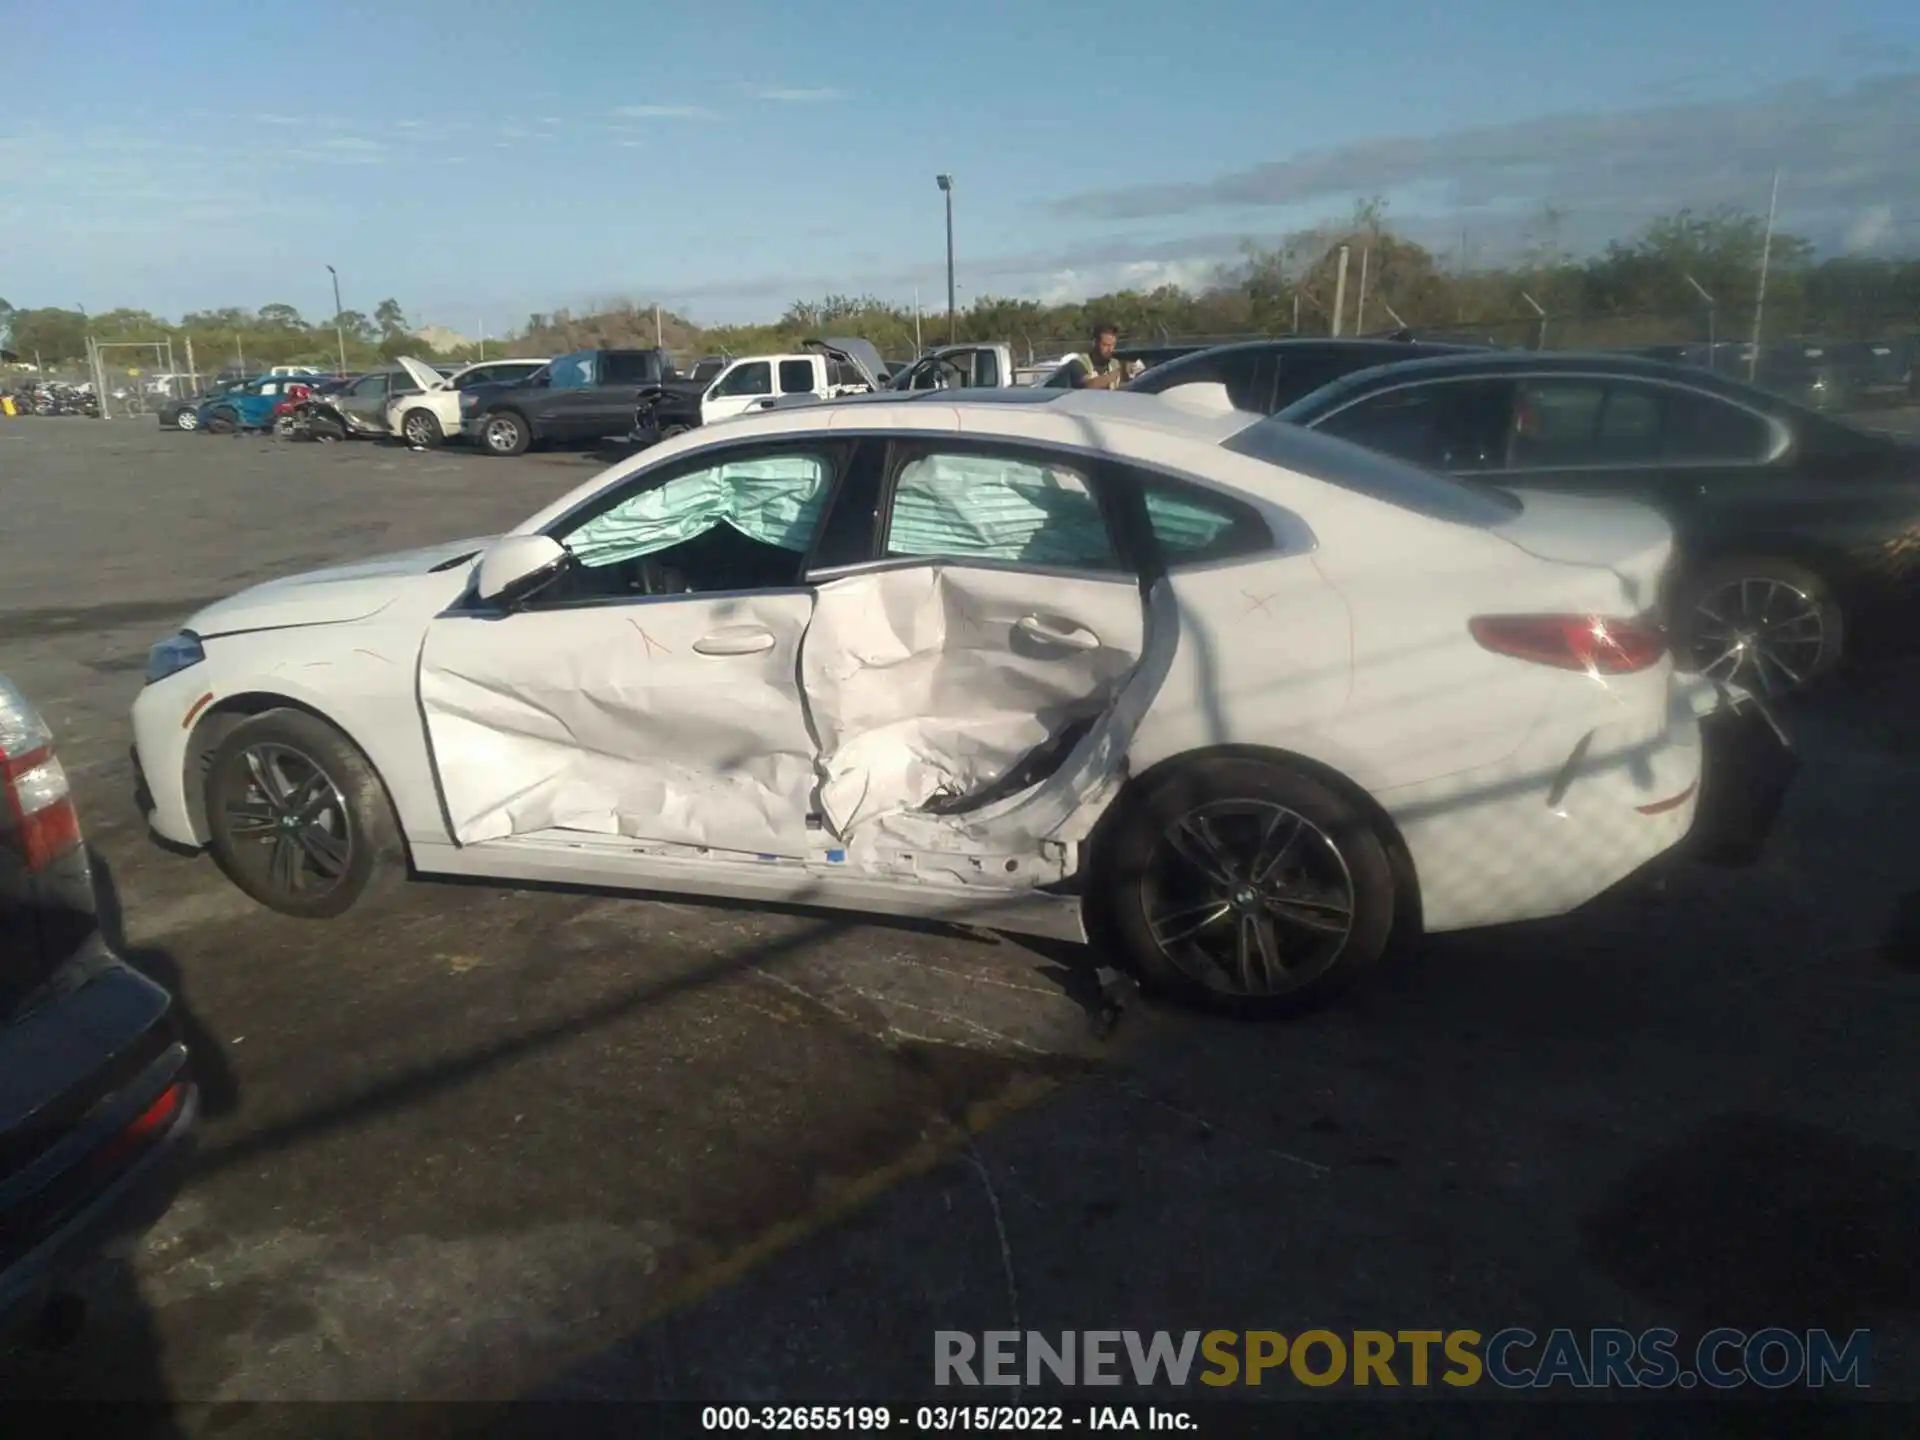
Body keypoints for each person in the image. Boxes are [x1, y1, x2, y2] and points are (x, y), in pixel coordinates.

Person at [1067, 321, 1143, 389]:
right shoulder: (1079, 363)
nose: (1110, 349)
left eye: (1112, 345)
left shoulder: (1114, 364)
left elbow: (1121, 388)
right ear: (1095, 343)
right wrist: (1121, 371)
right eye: (1106, 345)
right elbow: (1088, 386)